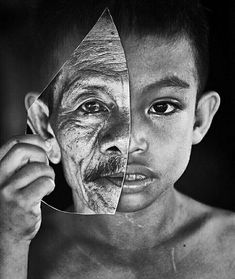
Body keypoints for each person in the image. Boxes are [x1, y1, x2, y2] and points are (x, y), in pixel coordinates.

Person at [0, 0, 234, 278]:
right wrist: (9, 244)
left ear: (200, 119)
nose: (128, 139)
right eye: (92, 106)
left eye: (162, 107)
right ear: (44, 125)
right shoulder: (19, 249)